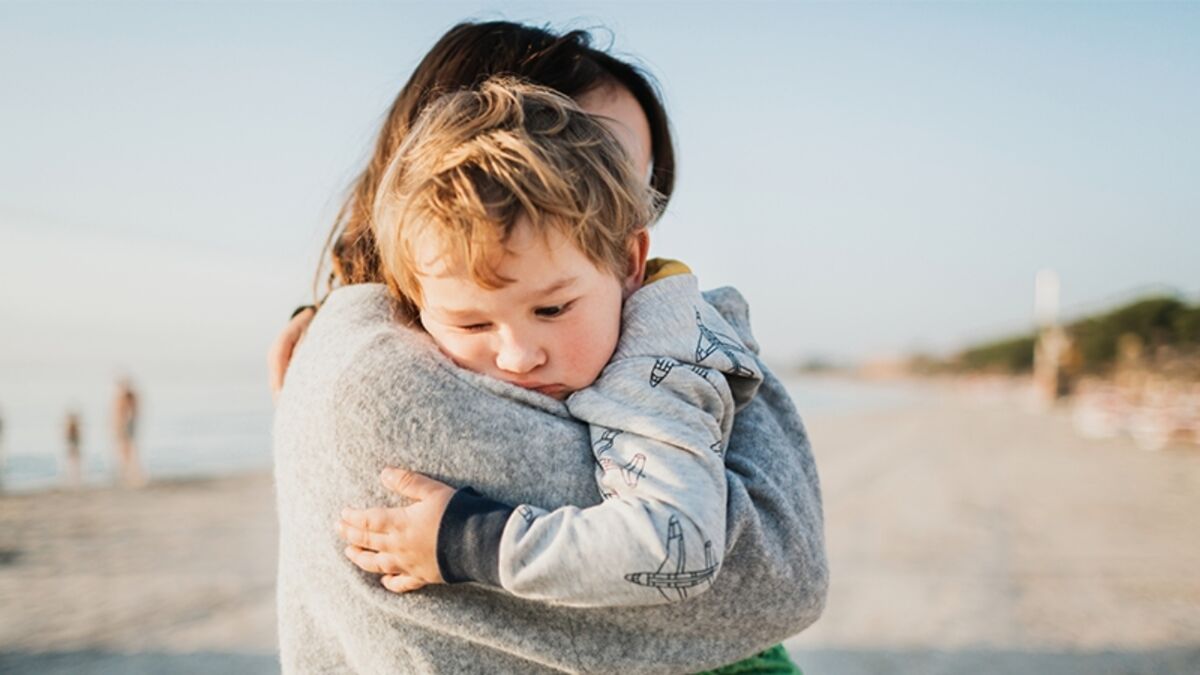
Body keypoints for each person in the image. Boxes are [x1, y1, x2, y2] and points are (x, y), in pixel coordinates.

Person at [272, 21, 826, 674]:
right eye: (573, 153)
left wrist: (467, 538)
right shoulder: (373, 365)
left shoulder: (654, 353)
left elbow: (758, 569)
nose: (517, 353)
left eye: (634, 183)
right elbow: (769, 570)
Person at [112, 378, 145, 487]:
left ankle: (128, 473)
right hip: (129, 423)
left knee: (126, 449)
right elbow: (136, 411)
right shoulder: (130, 396)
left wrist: (121, 424)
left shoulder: (125, 396)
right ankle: (130, 473)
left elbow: (122, 413)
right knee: (129, 449)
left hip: (126, 424)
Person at [64, 410, 82, 487]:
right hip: (73, 445)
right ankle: (74, 477)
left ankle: (74, 477)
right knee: (74, 461)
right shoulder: (72, 427)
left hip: (73, 445)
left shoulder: (72, 427)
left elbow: (71, 438)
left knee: (73, 461)